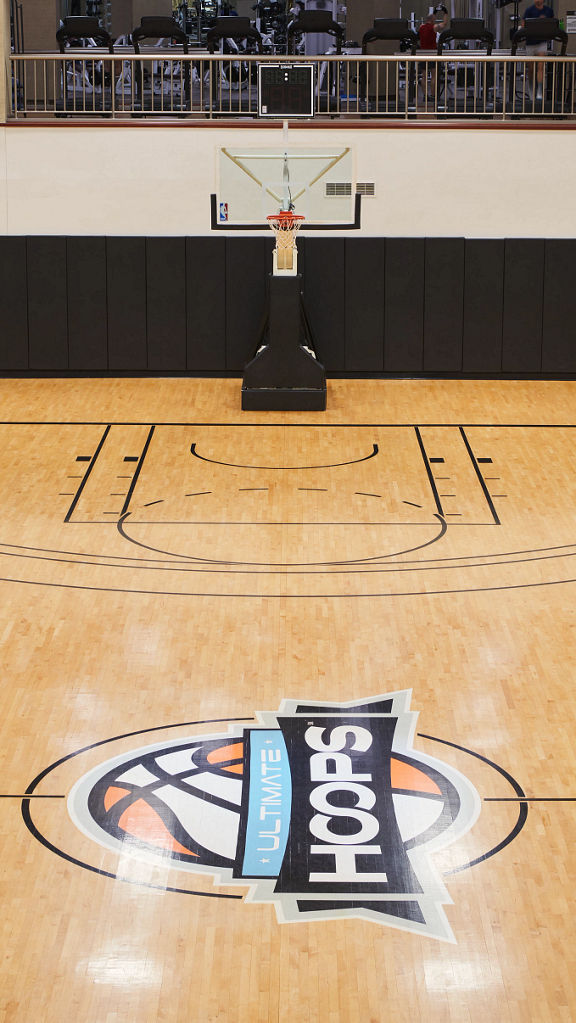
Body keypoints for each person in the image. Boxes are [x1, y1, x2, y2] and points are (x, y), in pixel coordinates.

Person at [522, 0, 555, 96]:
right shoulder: (529, 10)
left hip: (542, 42)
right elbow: (524, 24)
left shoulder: (549, 11)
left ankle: (539, 92)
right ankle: (531, 90)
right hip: (530, 42)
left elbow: (553, 24)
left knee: (540, 67)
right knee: (531, 69)